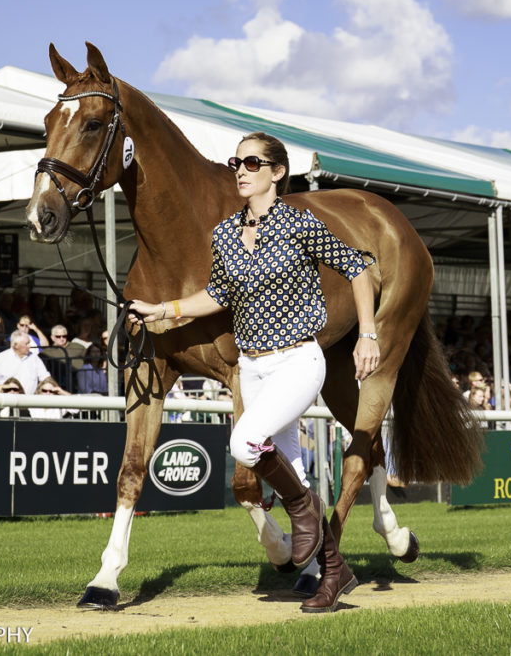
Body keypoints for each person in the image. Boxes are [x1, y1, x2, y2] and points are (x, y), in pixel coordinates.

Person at [127, 132, 377, 613]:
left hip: (299, 361)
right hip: (253, 366)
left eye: (251, 162)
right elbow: (217, 295)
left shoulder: (302, 226)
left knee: (243, 444)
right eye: (235, 162)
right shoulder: (224, 234)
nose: (239, 170)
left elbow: (358, 267)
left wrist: (367, 332)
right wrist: (163, 309)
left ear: (276, 172)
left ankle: (303, 512)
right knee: (294, 469)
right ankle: (333, 572)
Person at [0, 330, 53, 396]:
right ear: (16, 345)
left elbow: (46, 378)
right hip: (7, 403)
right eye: (26, 344)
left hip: (29, 404)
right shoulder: (1, 358)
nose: (29, 346)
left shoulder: (35, 359)